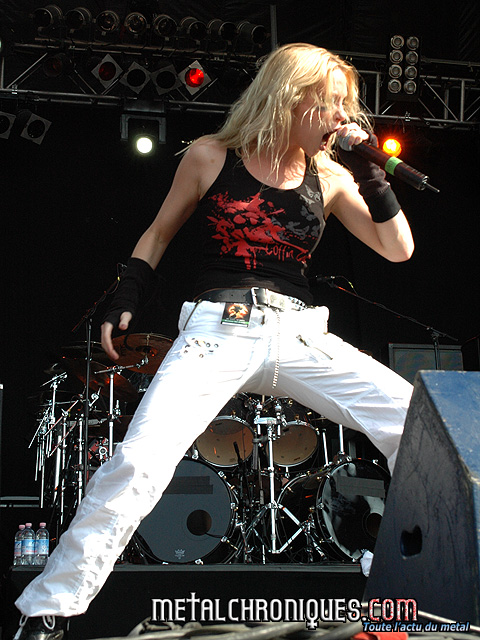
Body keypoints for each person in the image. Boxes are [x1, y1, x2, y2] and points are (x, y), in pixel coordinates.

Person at [14, 42, 414, 640]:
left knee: (418, 423)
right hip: (217, 330)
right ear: (290, 97)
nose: (341, 117)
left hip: (300, 333)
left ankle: (409, 580)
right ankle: (49, 608)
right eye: (331, 102)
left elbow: (398, 249)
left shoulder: (330, 175)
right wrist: (125, 296)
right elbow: (158, 233)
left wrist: (374, 177)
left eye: (344, 105)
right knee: (140, 460)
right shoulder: (212, 155)